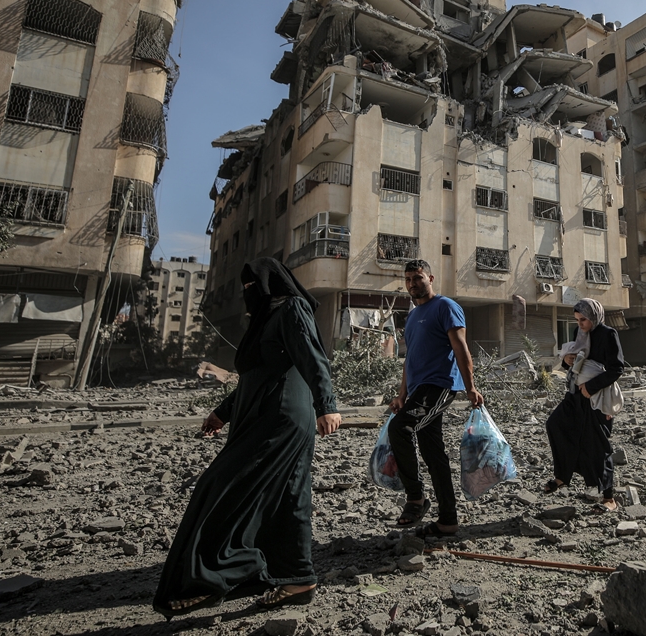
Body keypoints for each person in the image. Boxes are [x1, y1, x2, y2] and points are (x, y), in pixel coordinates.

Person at [153, 258, 342, 619]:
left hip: (281, 418)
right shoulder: (263, 320)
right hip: (259, 416)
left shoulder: (291, 307)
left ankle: (209, 580)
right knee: (289, 498)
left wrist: (327, 405)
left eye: (252, 285)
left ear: (272, 282)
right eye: (244, 288)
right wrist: (222, 412)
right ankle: (298, 577)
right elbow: (254, 375)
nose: (247, 293)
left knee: (220, 486)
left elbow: (313, 357)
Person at [388, 260, 483, 538]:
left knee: (400, 428)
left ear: (430, 278)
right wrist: (401, 395)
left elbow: (460, 347)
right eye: (407, 279)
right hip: (418, 390)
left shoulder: (445, 307)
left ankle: (416, 498)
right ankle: (448, 520)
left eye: (417, 278)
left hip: (439, 385)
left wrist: (470, 387)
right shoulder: (413, 317)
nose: (412, 284)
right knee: (433, 453)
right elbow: (409, 359)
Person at [544, 298, 625, 512]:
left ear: (594, 317)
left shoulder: (608, 334)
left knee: (598, 445)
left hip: (597, 397)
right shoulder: (579, 334)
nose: (580, 324)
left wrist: (591, 387)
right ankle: (562, 476)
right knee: (555, 425)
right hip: (575, 395)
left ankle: (609, 499)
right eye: (577, 320)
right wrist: (566, 361)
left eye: (583, 320)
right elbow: (573, 361)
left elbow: (616, 368)